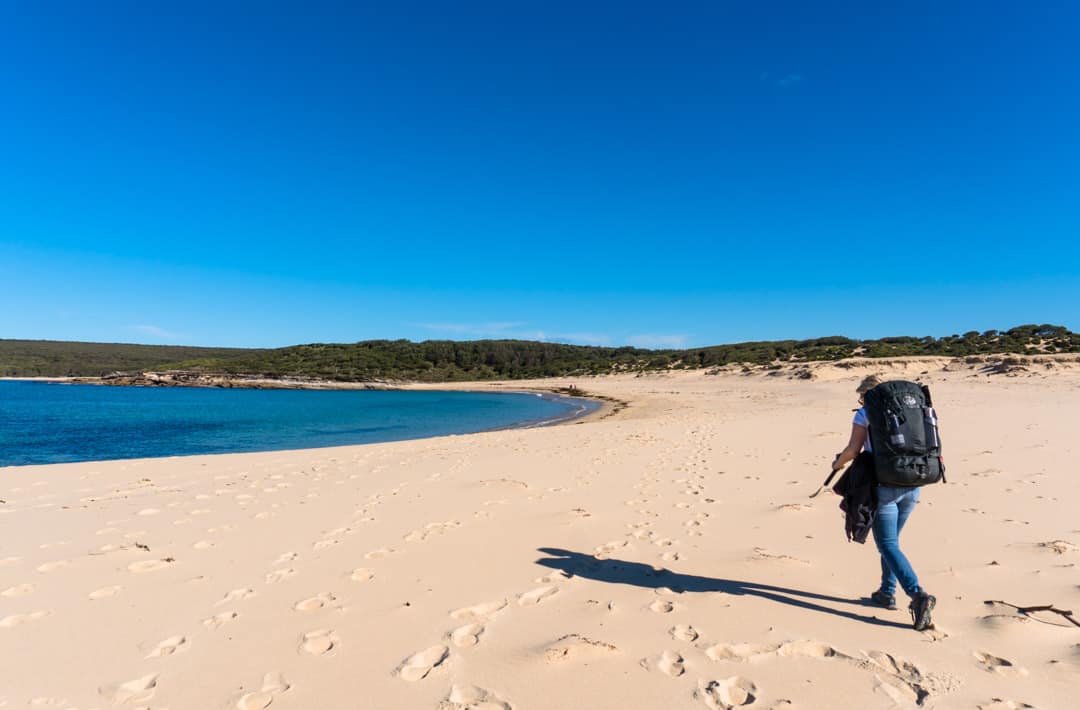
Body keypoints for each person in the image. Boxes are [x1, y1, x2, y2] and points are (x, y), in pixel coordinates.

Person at [831, 375, 936, 631]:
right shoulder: (912, 408)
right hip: (914, 482)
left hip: (884, 486)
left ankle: (918, 596)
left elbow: (853, 450)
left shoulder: (866, 413)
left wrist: (837, 464)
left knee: (887, 544)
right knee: (892, 544)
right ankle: (886, 592)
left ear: (868, 395)